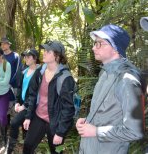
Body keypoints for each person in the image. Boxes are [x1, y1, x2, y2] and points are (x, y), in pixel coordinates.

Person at [76, 24, 145, 154]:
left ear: (115, 48)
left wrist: (96, 131)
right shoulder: (105, 73)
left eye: (99, 43)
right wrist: (88, 121)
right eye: (95, 43)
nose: (93, 47)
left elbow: (135, 131)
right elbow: (107, 113)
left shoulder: (127, 80)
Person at [23, 41, 75, 154]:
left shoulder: (65, 78)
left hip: (55, 121)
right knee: (27, 146)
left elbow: (68, 109)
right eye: (44, 50)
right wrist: (28, 116)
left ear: (57, 55)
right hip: (38, 117)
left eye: (48, 51)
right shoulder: (40, 72)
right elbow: (32, 95)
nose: (44, 53)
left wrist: (60, 132)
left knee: (56, 151)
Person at [6, 49, 41, 154]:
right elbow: (20, 88)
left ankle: (10, 150)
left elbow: (35, 95)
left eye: (28, 57)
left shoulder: (39, 73)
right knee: (26, 127)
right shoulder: (24, 70)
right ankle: (27, 148)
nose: (25, 58)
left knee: (14, 123)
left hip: (32, 106)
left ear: (35, 58)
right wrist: (17, 102)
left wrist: (24, 106)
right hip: (23, 104)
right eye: (25, 56)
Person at [0, 37, 21, 124]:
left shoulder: (15, 56)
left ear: (9, 44)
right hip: (3, 86)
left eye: (5, 43)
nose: (3, 45)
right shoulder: (0, 56)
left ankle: (15, 127)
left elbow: (17, 71)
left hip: (13, 85)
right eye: (1, 44)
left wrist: (9, 82)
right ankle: (6, 126)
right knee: (5, 106)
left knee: (14, 105)